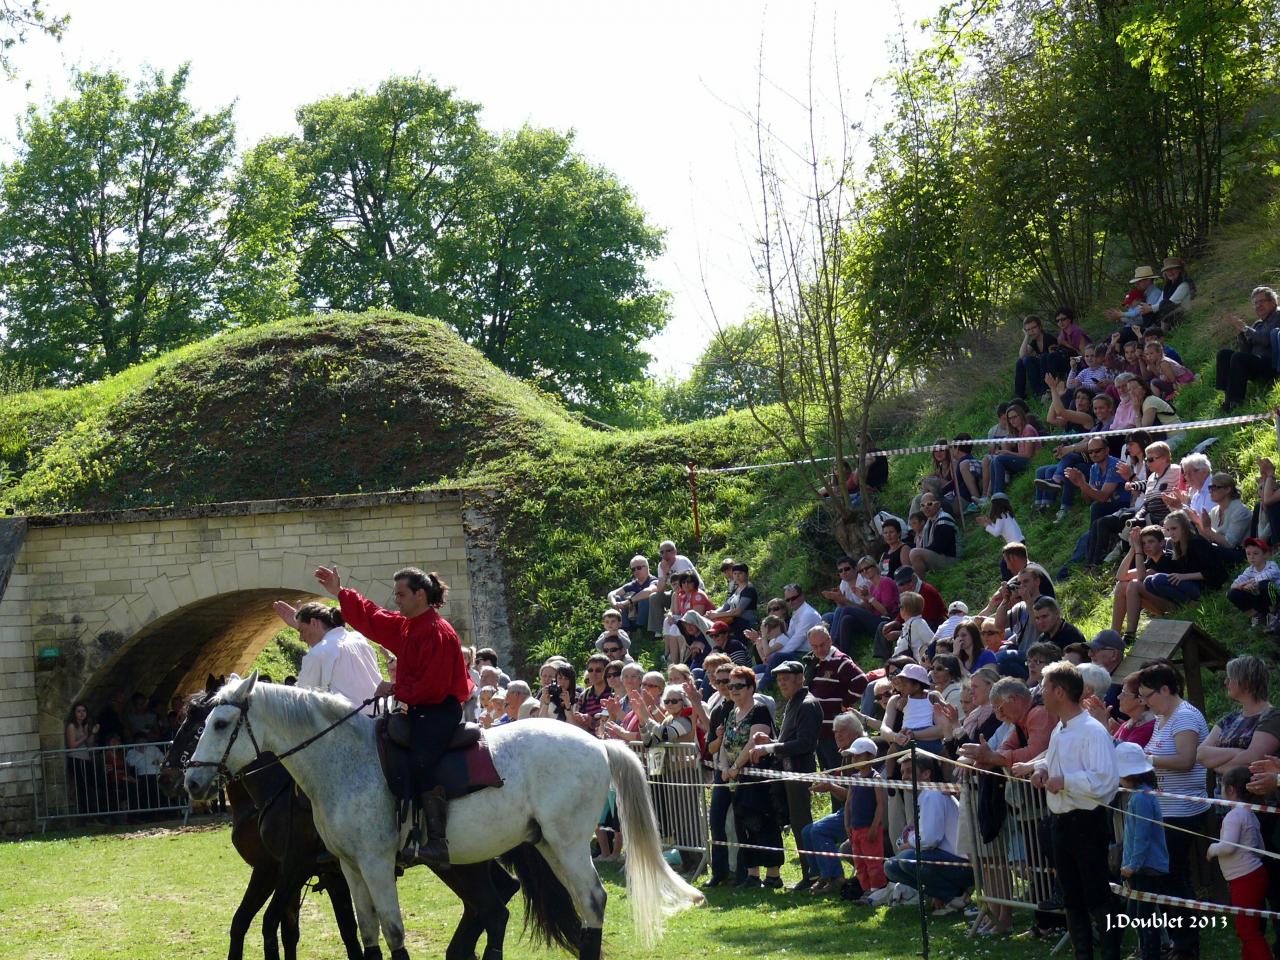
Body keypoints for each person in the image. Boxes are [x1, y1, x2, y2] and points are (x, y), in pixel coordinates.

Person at [315, 564, 472, 869]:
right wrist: (340, 593)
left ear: (420, 594)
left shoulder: (439, 632)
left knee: (422, 762)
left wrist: (395, 688)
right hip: (419, 707)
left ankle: (437, 844)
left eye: (401, 594)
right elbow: (373, 618)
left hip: (439, 709)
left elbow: (432, 685)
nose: (396, 599)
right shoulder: (408, 625)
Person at [1012, 662, 1120, 960]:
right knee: (1071, 896)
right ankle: (1082, 954)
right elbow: (1057, 761)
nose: (1041, 694)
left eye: (1044, 688)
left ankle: (1110, 955)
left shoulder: (1092, 731)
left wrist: (1065, 781)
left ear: (1059, 691)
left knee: (1097, 894)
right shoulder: (1061, 728)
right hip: (1061, 821)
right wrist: (1042, 769)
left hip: (1087, 821)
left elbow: (1104, 780)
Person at [1136, 661, 1209, 960]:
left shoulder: (1185, 717)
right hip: (1164, 807)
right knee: (1167, 876)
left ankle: (1186, 943)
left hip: (1184, 808)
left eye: (1148, 695)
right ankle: (1180, 941)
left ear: (1166, 689)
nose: (1145, 702)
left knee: (1173, 876)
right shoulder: (1163, 717)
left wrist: (1147, 759)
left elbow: (1187, 760)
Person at [746, 661, 822, 890]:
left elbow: (805, 743)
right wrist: (773, 743)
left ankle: (813, 875)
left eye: (786, 678)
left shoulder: (808, 704)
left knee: (802, 823)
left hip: (800, 771)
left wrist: (770, 749)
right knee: (797, 823)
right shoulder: (793, 703)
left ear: (800, 678)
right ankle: (810, 873)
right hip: (789, 770)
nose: (782, 683)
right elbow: (791, 740)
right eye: (779, 680)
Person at [719, 665, 783, 888]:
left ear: (751, 687)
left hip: (757, 777)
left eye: (739, 686)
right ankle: (752, 874)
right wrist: (724, 767)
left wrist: (736, 766)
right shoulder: (730, 713)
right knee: (742, 825)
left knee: (763, 823)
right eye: (730, 685)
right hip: (735, 779)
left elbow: (754, 741)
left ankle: (773, 874)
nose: (733, 690)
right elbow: (725, 744)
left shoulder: (760, 710)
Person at [882, 753, 972, 911]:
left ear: (926, 774)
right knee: (891, 866)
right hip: (948, 861)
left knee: (907, 858)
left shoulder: (932, 795)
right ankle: (948, 895)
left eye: (910, 771)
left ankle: (955, 897)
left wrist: (908, 844)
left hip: (965, 865)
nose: (904, 777)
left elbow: (930, 840)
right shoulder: (925, 796)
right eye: (903, 772)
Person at [273, 600, 382, 713]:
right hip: (381, 719)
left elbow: (301, 697)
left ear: (314, 623)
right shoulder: (358, 638)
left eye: (302, 631)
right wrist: (302, 626)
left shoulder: (319, 653)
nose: (301, 638)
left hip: (352, 724)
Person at [1207, 766, 1271, 960]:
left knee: (1248, 931)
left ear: (1231, 789)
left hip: (1245, 879)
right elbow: (1260, 847)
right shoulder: (1251, 814)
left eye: (1221, 786)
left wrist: (1212, 850)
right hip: (1255, 875)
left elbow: (1228, 847)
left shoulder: (1234, 815)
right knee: (1249, 928)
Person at [1114, 742, 1168, 960]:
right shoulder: (1138, 796)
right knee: (1137, 913)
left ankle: (1151, 953)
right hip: (1139, 866)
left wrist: (1132, 866)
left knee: (1144, 916)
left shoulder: (1141, 799)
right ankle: (1146, 950)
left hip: (1146, 867)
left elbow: (1142, 837)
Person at [1195, 654, 1277, 777]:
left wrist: (1215, 764)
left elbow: (1253, 759)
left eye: (1230, 678)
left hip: (1253, 794)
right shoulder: (1229, 719)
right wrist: (1240, 752)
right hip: (1222, 795)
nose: (1225, 682)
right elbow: (1201, 754)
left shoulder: (1273, 717)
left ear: (1246, 682)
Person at [801, 625, 867, 775]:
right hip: (819, 731)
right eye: (814, 646)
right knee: (829, 776)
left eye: (822, 645)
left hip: (835, 734)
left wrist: (845, 702)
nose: (819, 650)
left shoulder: (840, 660)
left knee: (840, 776)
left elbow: (861, 680)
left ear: (830, 640)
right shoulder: (813, 662)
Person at [1217, 285, 1280, 411]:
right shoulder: (1258, 323)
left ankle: (1235, 401)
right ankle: (1227, 396)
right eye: (1255, 303)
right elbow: (1246, 351)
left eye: (1261, 302)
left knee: (1239, 358)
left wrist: (1246, 329)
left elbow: (1266, 340)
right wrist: (1242, 335)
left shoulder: (1277, 315)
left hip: (1272, 365)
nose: (1258, 306)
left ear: (1272, 302)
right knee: (1224, 354)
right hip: (1257, 363)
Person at [747, 585, 822, 683]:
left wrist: (774, 656)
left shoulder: (808, 614)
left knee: (776, 657)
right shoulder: (797, 613)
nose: (791, 602)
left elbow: (795, 642)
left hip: (805, 654)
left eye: (794, 598)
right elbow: (789, 636)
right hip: (795, 652)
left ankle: (763, 686)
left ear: (802, 596)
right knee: (754, 670)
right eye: (787, 600)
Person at [1227, 537, 1280, 627]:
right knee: (1232, 593)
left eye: (1255, 553)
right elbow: (1234, 584)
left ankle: (1273, 613)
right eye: (1248, 554)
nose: (1252, 557)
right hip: (1260, 601)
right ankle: (1255, 615)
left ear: (1265, 555)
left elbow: (1271, 574)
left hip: (1275, 598)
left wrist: (1253, 581)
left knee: (1264, 584)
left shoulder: (1272, 565)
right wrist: (1242, 586)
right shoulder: (1249, 570)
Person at [909, 493, 960, 575]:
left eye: (929, 504)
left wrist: (921, 553)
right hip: (941, 556)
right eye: (923, 505)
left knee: (915, 553)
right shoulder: (929, 522)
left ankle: (922, 585)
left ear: (938, 504)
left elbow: (939, 547)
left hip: (952, 559)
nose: (926, 507)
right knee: (908, 569)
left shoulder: (943, 519)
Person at [708, 562, 758, 643]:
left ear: (747, 574)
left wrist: (716, 615)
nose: (737, 576)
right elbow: (725, 607)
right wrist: (712, 613)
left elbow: (737, 612)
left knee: (718, 631)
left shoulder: (749, 589)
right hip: (733, 621)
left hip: (745, 623)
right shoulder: (736, 589)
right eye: (735, 573)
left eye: (740, 573)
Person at [607, 555, 658, 635]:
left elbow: (649, 591)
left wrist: (627, 602)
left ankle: (640, 629)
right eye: (633, 569)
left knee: (645, 598)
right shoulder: (634, 584)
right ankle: (625, 628)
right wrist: (615, 604)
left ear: (647, 567)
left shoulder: (654, 581)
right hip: (633, 616)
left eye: (639, 568)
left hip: (648, 617)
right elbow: (612, 594)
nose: (636, 571)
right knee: (617, 598)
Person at [64, 702, 98, 816]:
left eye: (84, 711)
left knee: (90, 786)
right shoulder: (72, 726)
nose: (81, 714)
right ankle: (86, 815)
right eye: (79, 711)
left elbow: (89, 744)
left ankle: (92, 814)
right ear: (74, 713)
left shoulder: (85, 725)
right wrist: (85, 736)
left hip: (85, 758)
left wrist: (92, 733)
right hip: (76, 759)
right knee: (82, 787)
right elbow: (72, 744)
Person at [1015, 314, 1056, 401]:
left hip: (1050, 369)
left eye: (1033, 328)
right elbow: (1022, 355)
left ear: (1040, 327)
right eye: (1028, 330)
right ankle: (1019, 396)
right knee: (1020, 361)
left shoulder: (1048, 338)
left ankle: (1040, 392)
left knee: (1027, 360)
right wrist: (1026, 336)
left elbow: (1052, 360)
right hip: (1041, 368)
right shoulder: (1034, 342)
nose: (1031, 331)